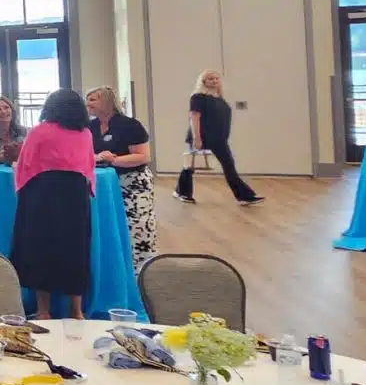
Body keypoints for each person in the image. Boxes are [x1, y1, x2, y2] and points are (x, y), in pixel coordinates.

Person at [11, 89, 95, 319]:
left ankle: (43, 311)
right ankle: (76, 310)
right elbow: (89, 166)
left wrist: (20, 188)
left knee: (40, 248)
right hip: (75, 195)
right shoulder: (85, 133)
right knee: (76, 249)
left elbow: (25, 163)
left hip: (42, 193)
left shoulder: (39, 131)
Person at [87, 86, 156, 275]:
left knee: (137, 226)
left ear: (107, 102)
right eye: (88, 99)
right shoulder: (90, 127)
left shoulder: (130, 125)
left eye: (93, 99)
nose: (88, 104)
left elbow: (143, 156)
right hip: (105, 184)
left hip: (133, 183)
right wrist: (98, 157)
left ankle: (141, 273)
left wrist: (113, 160)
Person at [177, 69, 262, 206]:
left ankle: (244, 196)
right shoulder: (198, 97)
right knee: (190, 166)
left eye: (216, 78)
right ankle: (183, 193)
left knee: (229, 166)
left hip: (219, 139)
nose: (214, 81)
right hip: (202, 137)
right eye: (210, 79)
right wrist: (197, 138)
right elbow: (194, 117)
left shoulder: (219, 98)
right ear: (203, 81)